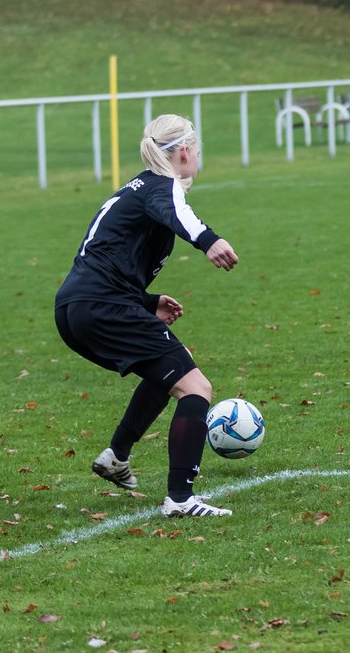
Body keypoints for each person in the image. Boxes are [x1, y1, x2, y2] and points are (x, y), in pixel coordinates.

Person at [54, 114, 240, 517]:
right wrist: (209, 241)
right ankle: (180, 500)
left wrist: (145, 302)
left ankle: (117, 455)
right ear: (186, 152)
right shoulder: (161, 186)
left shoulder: (132, 189)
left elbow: (104, 260)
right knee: (195, 388)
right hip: (101, 306)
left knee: (171, 366)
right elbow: (177, 213)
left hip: (75, 309)